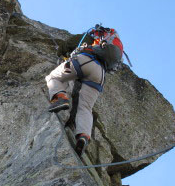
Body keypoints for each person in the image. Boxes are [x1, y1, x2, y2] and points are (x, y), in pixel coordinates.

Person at [45, 25, 124, 156]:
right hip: (100, 74)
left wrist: (60, 52)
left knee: (53, 77)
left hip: (85, 60)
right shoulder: (110, 50)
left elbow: (69, 43)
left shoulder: (88, 38)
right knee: (85, 108)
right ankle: (83, 136)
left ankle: (60, 98)